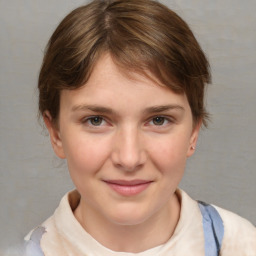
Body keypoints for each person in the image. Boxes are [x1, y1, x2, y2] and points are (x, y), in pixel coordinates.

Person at [24, 0, 256, 255]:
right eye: (96, 120)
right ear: (56, 134)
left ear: (193, 132)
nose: (129, 158)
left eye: (158, 120)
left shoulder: (242, 245)